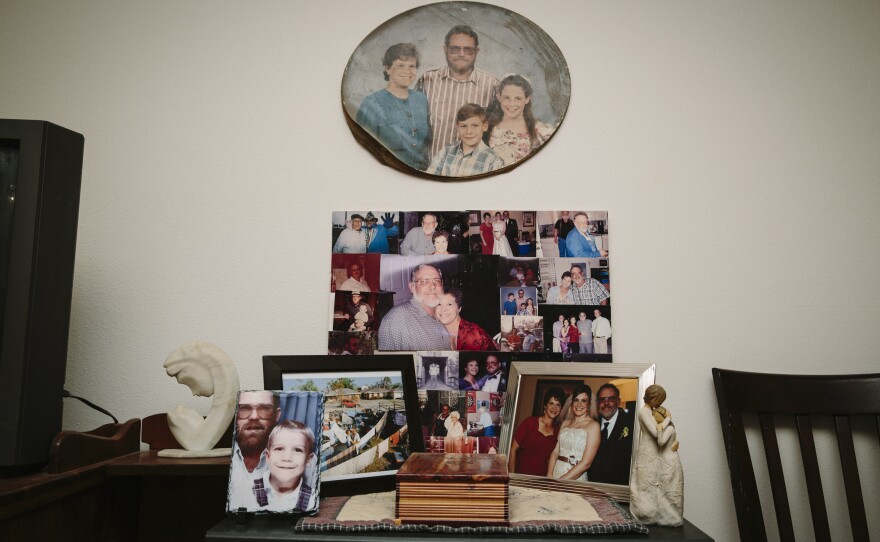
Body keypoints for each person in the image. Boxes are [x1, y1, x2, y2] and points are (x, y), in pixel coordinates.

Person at [416, 25, 498, 159]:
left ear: (477, 51)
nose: (461, 54)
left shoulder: (492, 85)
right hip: (431, 167)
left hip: (472, 168)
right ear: (445, 49)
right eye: (455, 49)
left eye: (468, 50)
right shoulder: (427, 80)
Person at [355, 44, 430, 170]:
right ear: (387, 68)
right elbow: (362, 149)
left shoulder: (421, 99)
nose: (408, 71)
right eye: (401, 65)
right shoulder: (372, 103)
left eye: (412, 66)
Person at [629, 385, 683, 526]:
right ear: (653, 398)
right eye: (660, 400)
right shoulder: (643, 413)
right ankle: (646, 513)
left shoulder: (652, 412)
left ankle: (657, 514)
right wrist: (668, 420)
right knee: (646, 483)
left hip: (656, 452)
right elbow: (655, 432)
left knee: (658, 483)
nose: (661, 404)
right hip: (648, 451)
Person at [484, 74, 555, 166]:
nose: (512, 104)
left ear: (527, 99)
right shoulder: (488, 128)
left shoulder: (540, 131)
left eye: (518, 98)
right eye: (507, 97)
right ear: (499, 97)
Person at [228, 391, 281, 510]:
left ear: (277, 415)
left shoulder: (292, 462)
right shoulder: (224, 460)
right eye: (244, 408)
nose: (254, 417)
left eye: (264, 409)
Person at [377, 263, 450, 350]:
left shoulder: (443, 314)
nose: (433, 287)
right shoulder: (396, 320)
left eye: (437, 281)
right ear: (412, 287)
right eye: (424, 281)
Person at [426, 103, 503, 177]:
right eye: (463, 126)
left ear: (485, 126)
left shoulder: (493, 161)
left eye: (475, 125)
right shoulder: (446, 151)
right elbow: (430, 180)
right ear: (457, 127)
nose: (469, 131)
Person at [548, 385, 600, 481]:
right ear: (572, 403)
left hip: (575, 478)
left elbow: (586, 463)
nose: (579, 404)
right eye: (576, 400)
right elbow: (555, 452)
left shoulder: (594, 426)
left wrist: (561, 482)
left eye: (583, 400)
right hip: (555, 474)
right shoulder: (565, 423)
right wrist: (549, 475)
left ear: (589, 404)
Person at [262, 420, 317, 512]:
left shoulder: (312, 500)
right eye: (279, 449)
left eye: (298, 450)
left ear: (308, 459)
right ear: (268, 456)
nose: (287, 458)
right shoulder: (248, 493)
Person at [508, 387, 565, 476]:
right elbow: (513, 450)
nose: (554, 408)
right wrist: (512, 476)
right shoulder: (530, 422)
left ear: (561, 409)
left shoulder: (558, 431)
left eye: (558, 405)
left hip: (540, 480)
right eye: (551, 403)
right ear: (545, 406)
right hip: (521, 476)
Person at [588, 383, 635, 485]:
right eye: (602, 399)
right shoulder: (592, 423)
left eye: (611, 399)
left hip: (619, 489)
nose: (606, 403)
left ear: (618, 401)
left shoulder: (632, 424)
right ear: (597, 403)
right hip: (592, 487)